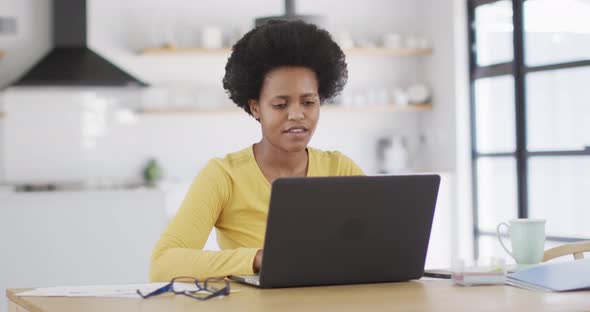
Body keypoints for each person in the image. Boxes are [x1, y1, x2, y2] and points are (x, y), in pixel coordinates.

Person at [149, 20, 364, 282]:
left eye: (309, 102)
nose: (297, 114)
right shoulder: (224, 175)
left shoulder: (340, 169)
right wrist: (258, 259)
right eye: (280, 104)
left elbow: (378, 246)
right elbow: (163, 264)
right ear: (255, 108)